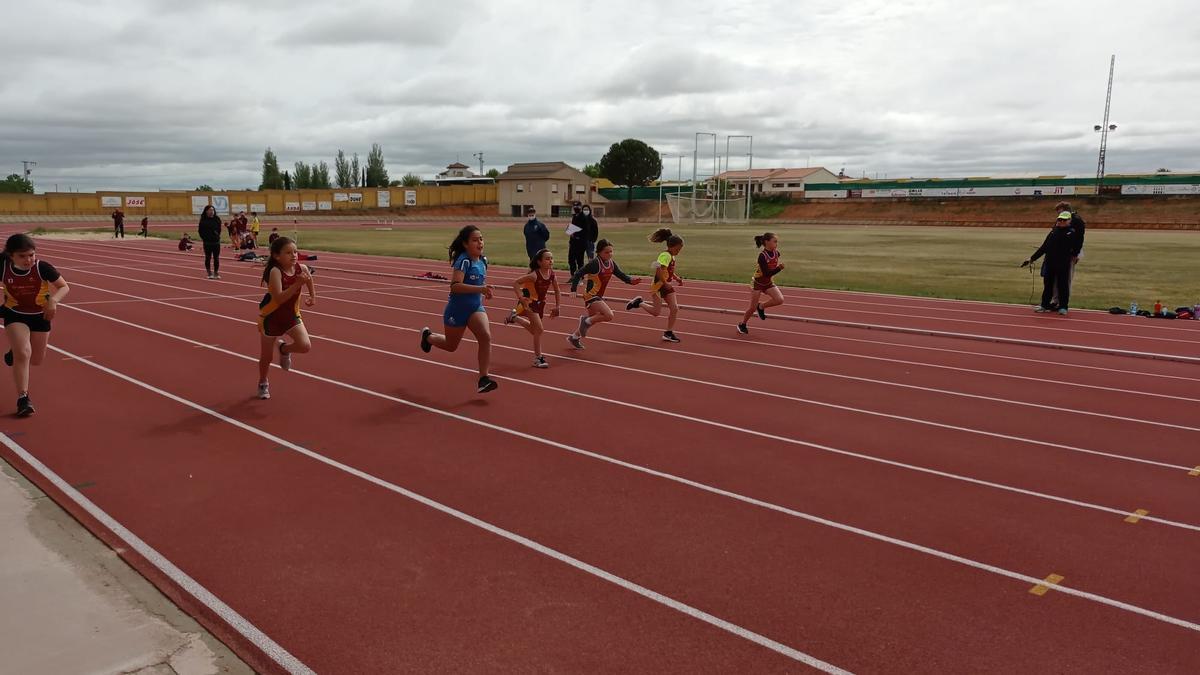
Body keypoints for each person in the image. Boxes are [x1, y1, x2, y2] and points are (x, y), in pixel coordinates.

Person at [419, 226, 498, 393]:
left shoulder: (483, 261)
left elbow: (479, 285)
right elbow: (455, 287)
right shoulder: (464, 260)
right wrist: (481, 289)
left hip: (475, 307)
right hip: (457, 310)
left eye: (481, 239)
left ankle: (483, 378)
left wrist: (486, 291)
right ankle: (428, 337)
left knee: (485, 337)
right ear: (465, 244)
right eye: (475, 240)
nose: (480, 243)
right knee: (451, 346)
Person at [1, 234, 70, 417]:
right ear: (11, 255)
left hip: (40, 316)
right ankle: (23, 399)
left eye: (31, 255)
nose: (28, 260)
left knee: (36, 359)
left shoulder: (42, 267)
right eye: (22, 256)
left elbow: (64, 287)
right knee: (23, 353)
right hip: (14, 313)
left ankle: (12, 353)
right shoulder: (3, 267)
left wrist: (53, 301)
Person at [256, 236, 315, 400]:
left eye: (295, 252)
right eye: (288, 253)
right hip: (271, 317)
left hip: (291, 316)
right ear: (276, 256)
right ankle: (263, 381)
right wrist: (297, 284)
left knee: (305, 346)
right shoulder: (275, 272)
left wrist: (312, 296)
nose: (294, 255)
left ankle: (283, 350)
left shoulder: (301, 267)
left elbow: (309, 279)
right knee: (266, 357)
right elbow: (279, 299)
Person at [565, 239, 642, 349]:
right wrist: (573, 289)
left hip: (598, 296)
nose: (609, 254)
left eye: (611, 251)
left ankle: (574, 337)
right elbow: (578, 273)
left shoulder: (611, 263)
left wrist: (631, 281)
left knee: (592, 320)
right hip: (591, 295)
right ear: (599, 252)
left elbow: (621, 275)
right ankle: (584, 320)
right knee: (608, 315)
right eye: (606, 252)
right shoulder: (595, 264)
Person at [504, 249, 561, 368]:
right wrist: (521, 297)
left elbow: (557, 290)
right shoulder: (534, 275)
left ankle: (515, 318)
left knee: (535, 331)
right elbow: (516, 283)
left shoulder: (552, 274)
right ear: (539, 262)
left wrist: (557, 306)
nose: (550, 261)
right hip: (529, 303)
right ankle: (538, 358)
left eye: (551, 258)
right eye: (547, 258)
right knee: (539, 330)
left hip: (540, 304)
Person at [627, 228, 684, 343]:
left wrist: (676, 278)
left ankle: (668, 333)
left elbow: (669, 271)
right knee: (656, 312)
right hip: (658, 285)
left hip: (665, 285)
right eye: (678, 249)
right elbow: (659, 271)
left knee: (674, 308)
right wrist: (665, 282)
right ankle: (639, 303)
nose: (679, 251)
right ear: (671, 246)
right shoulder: (665, 255)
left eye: (680, 249)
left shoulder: (672, 256)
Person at [1023, 211, 1078, 315]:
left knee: (1063, 286)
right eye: (1059, 219)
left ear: (1069, 221)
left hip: (1063, 264)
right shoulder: (1053, 232)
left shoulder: (1071, 233)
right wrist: (1031, 258)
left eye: (1064, 220)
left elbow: (1075, 249)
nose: (1061, 221)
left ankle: (1063, 307)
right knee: (1048, 286)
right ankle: (1044, 305)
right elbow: (1044, 247)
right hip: (1050, 263)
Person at [737, 232, 786, 334]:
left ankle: (761, 307)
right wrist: (779, 268)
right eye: (775, 242)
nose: (776, 244)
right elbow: (767, 273)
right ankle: (742, 324)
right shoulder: (762, 256)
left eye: (777, 242)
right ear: (767, 242)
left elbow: (769, 274)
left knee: (779, 299)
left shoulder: (777, 253)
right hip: (758, 283)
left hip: (768, 282)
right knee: (752, 308)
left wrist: (776, 269)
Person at [1049, 201, 1085, 308]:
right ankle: (1055, 300)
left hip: (1070, 253)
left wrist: (1076, 253)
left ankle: (1063, 302)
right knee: (1055, 278)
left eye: (1059, 211)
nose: (1058, 215)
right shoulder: (1060, 220)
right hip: (1057, 253)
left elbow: (1080, 239)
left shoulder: (1077, 220)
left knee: (1066, 278)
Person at [197, 205, 223, 279]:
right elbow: (200, 231)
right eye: (210, 210)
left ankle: (216, 272)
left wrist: (217, 236)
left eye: (213, 210)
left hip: (216, 242)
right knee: (208, 257)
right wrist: (204, 238)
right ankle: (209, 272)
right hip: (207, 242)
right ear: (206, 211)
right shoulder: (203, 221)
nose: (212, 211)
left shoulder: (217, 219)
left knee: (216, 258)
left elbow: (219, 229)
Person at [567, 202, 587, 276]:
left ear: (580, 207)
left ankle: (580, 277)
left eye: (577, 206)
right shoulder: (574, 216)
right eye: (574, 206)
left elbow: (585, 230)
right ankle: (573, 276)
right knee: (571, 259)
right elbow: (572, 227)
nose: (576, 208)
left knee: (579, 261)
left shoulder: (584, 217)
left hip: (581, 242)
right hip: (573, 242)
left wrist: (576, 234)